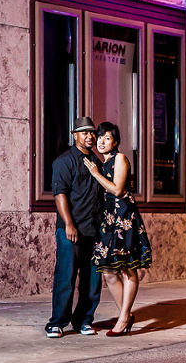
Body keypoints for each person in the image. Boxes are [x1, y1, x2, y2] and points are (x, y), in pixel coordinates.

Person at [83, 121, 152, 337]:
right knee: (109, 273)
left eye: (107, 138)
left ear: (115, 142)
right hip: (107, 221)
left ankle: (123, 319)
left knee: (127, 269)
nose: (102, 141)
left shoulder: (119, 159)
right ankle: (126, 314)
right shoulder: (100, 163)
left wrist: (95, 174)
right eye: (100, 137)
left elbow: (117, 189)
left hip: (124, 219)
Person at [45, 117, 104, 338]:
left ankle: (83, 321)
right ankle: (57, 323)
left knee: (92, 279)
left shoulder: (96, 162)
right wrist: (69, 224)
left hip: (94, 229)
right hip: (71, 229)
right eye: (85, 133)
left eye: (92, 133)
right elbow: (59, 193)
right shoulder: (64, 161)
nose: (90, 136)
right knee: (66, 276)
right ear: (75, 135)